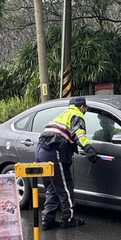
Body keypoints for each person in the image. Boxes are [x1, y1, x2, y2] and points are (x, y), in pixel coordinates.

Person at [35, 96, 98, 229]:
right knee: (65, 187)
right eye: (85, 108)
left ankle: (48, 220)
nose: (85, 110)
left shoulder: (64, 114)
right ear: (82, 107)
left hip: (41, 150)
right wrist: (89, 149)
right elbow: (79, 133)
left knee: (52, 187)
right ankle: (68, 219)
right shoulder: (77, 114)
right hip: (54, 151)